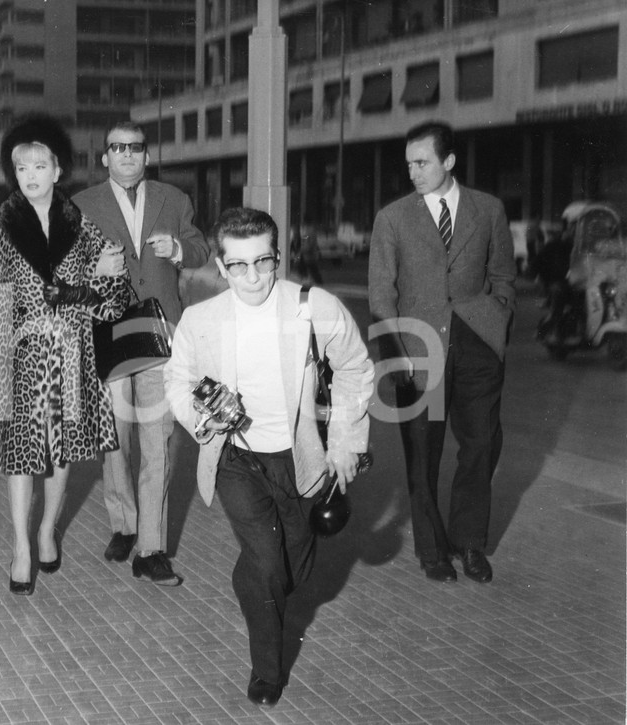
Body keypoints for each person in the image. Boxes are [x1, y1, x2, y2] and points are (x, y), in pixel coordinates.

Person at [163, 207, 373, 707]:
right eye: (238, 265)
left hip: (301, 458)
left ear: (279, 256)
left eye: (263, 261)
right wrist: (203, 416)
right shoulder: (201, 319)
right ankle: (268, 670)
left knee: (289, 569)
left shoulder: (313, 307)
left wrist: (344, 443)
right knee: (266, 559)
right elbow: (179, 379)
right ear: (220, 264)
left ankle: (250, 576)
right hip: (236, 458)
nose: (252, 276)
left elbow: (355, 369)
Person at [0, 114, 129, 596]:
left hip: (69, 348)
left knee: (63, 446)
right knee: (21, 452)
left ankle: (48, 528)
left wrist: (106, 272)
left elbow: (111, 301)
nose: (30, 175)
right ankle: (22, 546)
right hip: (17, 351)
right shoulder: (1, 223)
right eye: (21, 167)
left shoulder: (80, 227)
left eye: (39, 165)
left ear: (58, 170)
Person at [368, 121, 516, 584]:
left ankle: (469, 543)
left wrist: (497, 325)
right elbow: (380, 296)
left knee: (481, 444)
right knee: (423, 451)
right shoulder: (392, 218)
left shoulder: (488, 210)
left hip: (477, 343)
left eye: (422, 162)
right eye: (409, 164)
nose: (413, 172)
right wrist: (397, 358)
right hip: (419, 348)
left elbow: (505, 276)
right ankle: (432, 551)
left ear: (448, 161)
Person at [73, 120, 209, 585]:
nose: (127, 155)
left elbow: (200, 247)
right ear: (105, 157)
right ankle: (124, 523)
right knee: (115, 436)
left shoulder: (175, 200)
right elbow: (64, 269)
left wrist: (177, 249)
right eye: (117, 148)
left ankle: (151, 548)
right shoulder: (82, 205)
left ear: (147, 156)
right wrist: (94, 266)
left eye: (135, 147)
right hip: (107, 330)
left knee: (158, 438)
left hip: (159, 331)